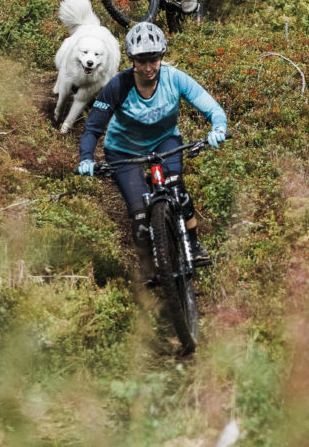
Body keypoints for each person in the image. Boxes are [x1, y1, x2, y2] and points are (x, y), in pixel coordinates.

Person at [77, 21, 227, 285]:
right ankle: (148, 266)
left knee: (177, 188)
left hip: (164, 140)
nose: (148, 67)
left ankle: (193, 244)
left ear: (162, 56)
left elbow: (211, 107)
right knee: (139, 217)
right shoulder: (117, 86)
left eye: (154, 59)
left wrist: (218, 128)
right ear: (132, 60)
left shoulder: (174, 78)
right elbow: (93, 128)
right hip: (123, 149)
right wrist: (86, 158)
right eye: (142, 60)